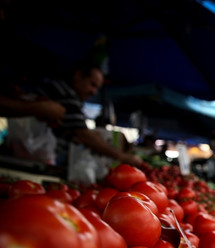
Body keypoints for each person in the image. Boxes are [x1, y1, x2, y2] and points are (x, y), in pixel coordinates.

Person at [1, 61, 142, 173]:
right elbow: (84, 134)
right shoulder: (65, 93)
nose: (94, 92)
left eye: (97, 87)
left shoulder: (66, 93)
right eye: (92, 84)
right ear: (78, 76)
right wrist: (123, 157)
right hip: (29, 157)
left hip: (32, 154)